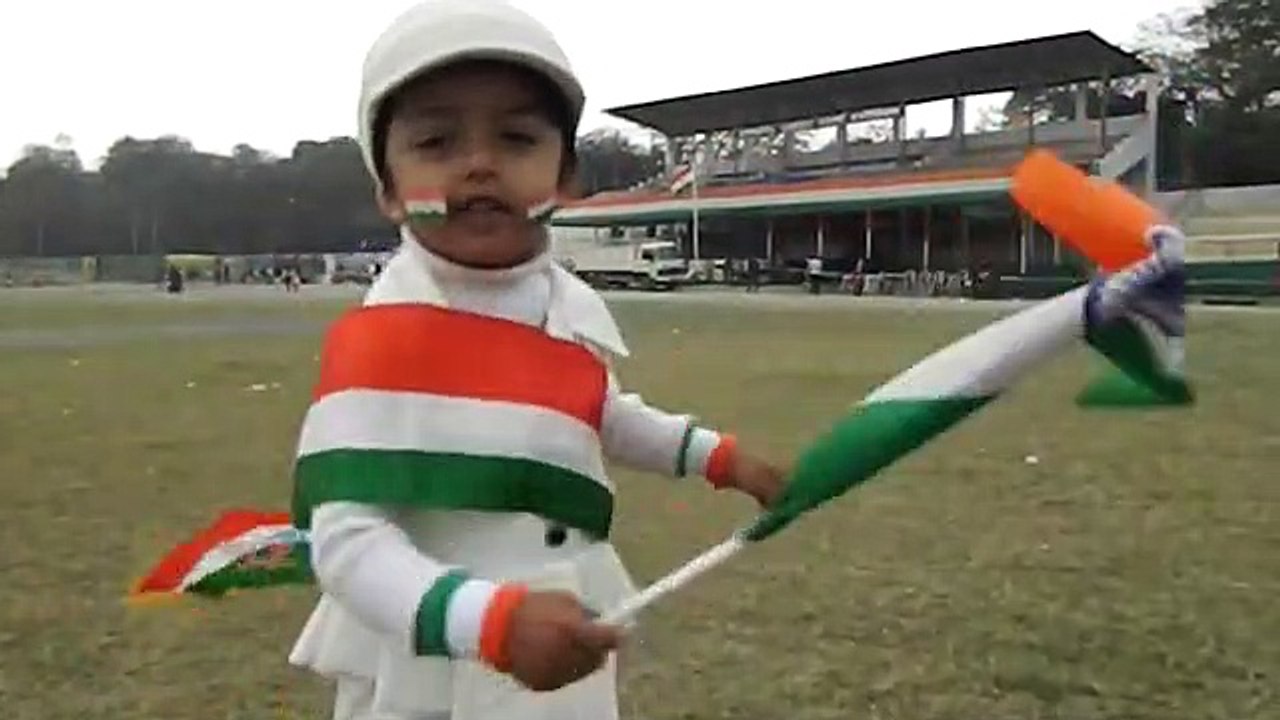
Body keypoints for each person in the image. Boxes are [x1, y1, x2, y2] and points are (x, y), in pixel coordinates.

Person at [285, 2, 788, 719]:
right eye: (436, 141)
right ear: (389, 191)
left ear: (565, 174)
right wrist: (486, 622)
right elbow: (344, 543)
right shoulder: (384, 340)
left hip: (561, 650)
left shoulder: (563, 311)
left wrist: (722, 459)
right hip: (428, 675)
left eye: (517, 138)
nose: (480, 164)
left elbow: (598, 411)